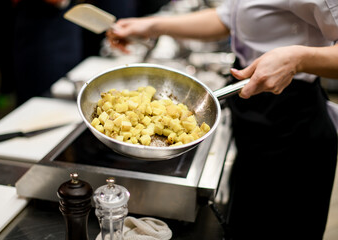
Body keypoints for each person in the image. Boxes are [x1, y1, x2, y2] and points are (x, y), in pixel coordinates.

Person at [106, 1, 338, 239]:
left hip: (294, 124)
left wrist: (299, 59)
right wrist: (152, 25)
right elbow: (228, 18)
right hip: (253, 107)